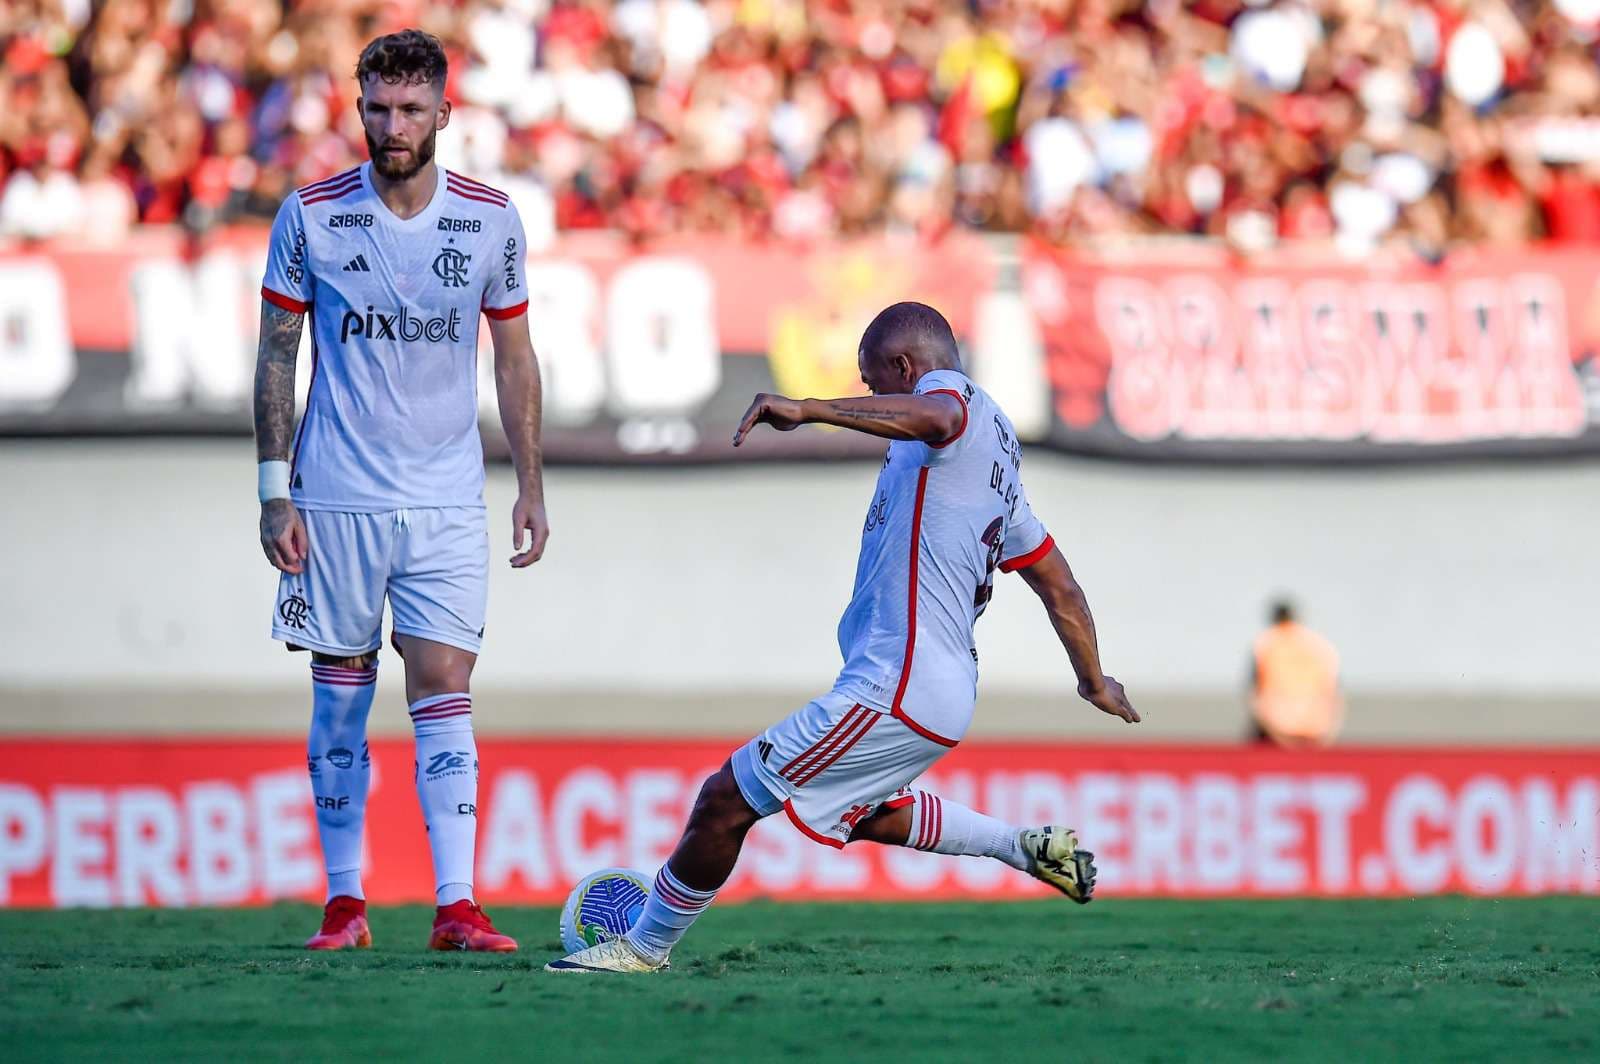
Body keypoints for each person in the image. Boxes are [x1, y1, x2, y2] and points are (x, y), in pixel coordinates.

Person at [548, 301, 1139, 974]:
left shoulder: (952, 402)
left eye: (872, 381)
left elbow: (938, 414)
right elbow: (1056, 582)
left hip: (900, 682)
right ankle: (1020, 846)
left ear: (905, 367)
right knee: (859, 811)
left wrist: (811, 408)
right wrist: (1092, 678)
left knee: (726, 798)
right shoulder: (998, 463)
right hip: (934, 689)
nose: (869, 398)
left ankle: (643, 947)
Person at [252, 29, 548, 952]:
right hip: (334, 495)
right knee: (340, 694)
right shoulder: (311, 215)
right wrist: (273, 489)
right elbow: (275, 354)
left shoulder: (492, 220)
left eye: (412, 109)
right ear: (359, 108)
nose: (393, 125)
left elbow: (514, 355)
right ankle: (346, 904)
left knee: (445, 683)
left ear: (443, 115)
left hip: (449, 497)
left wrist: (530, 482)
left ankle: (456, 905)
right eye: (378, 107)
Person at [1248, 600, 1342, 749]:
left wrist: (1264, 721)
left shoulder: (1267, 643)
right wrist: (1330, 728)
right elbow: (1334, 689)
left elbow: (1256, 689)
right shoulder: (1318, 644)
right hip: (1315, 725)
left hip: (1276, 725)